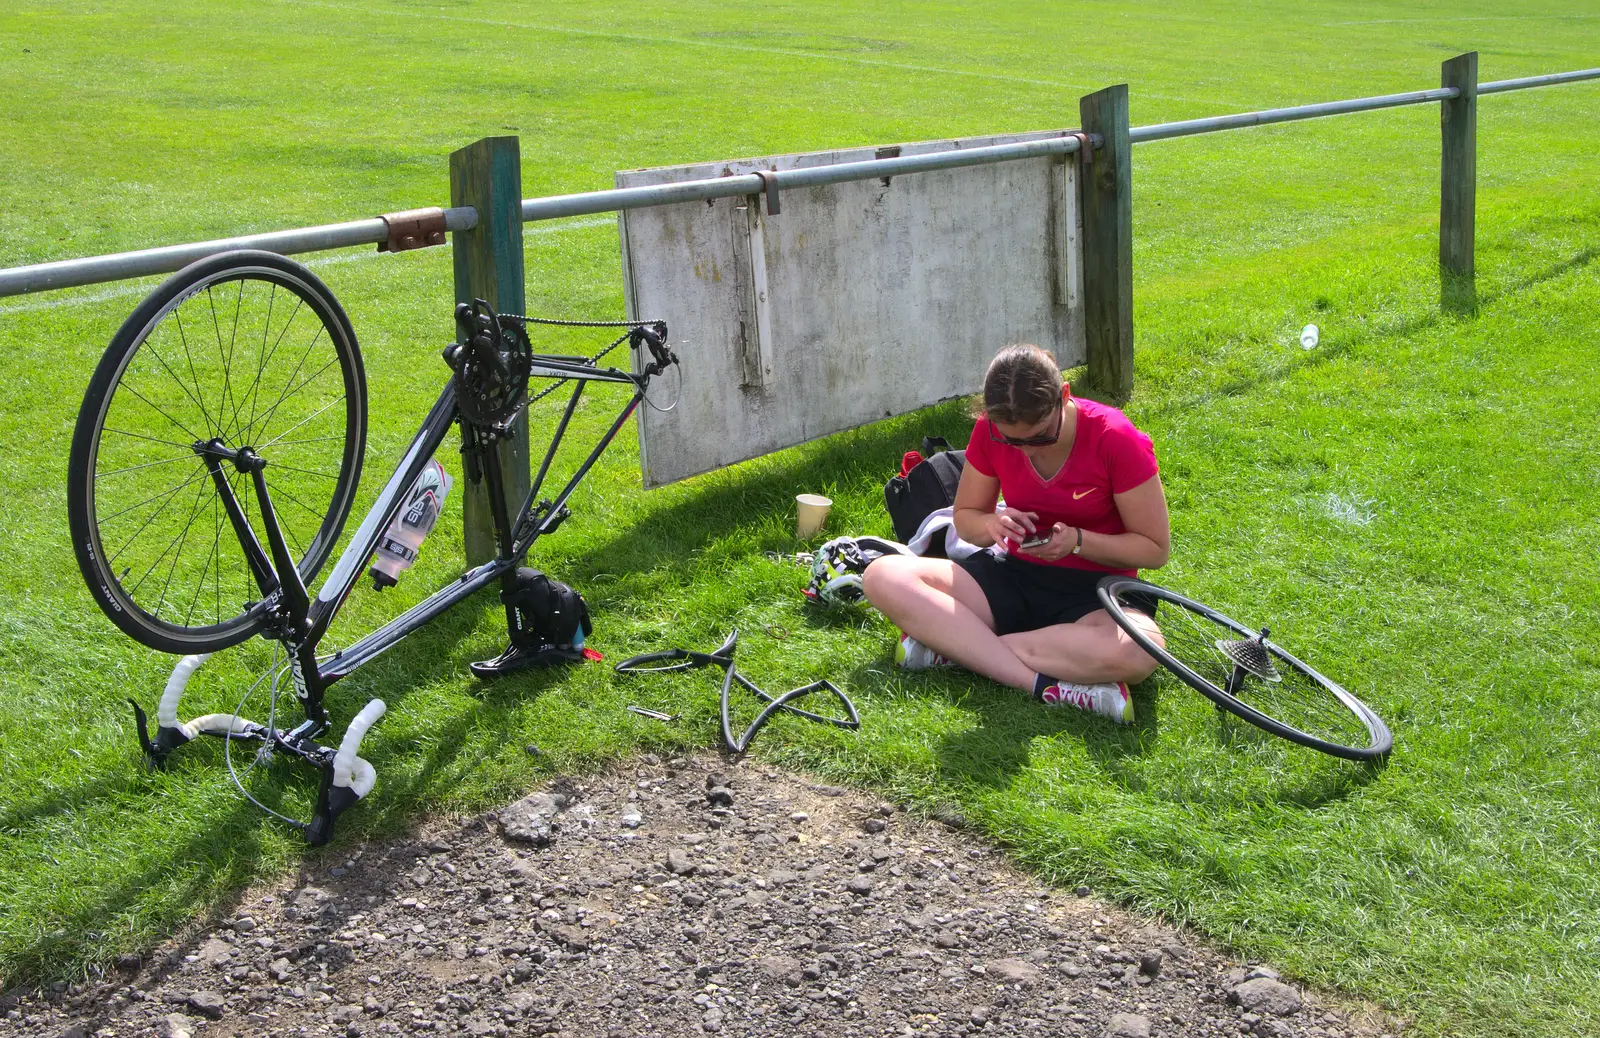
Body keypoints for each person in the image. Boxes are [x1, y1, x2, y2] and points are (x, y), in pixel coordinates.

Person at [861, 344, 1168, 724]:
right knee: (882, 575)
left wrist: (1079, 542)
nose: (1026, 452)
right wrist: (991, 525)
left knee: (1142, 650)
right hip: (1013, 574)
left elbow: (1154, 549)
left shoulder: (1115, 438)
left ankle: (958, 647)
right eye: (1011, 440)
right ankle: (1042, 683)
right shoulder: (988, 430)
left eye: (1039, 437)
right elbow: (968, 517)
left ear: (1065, 396)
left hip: (1097, 590)